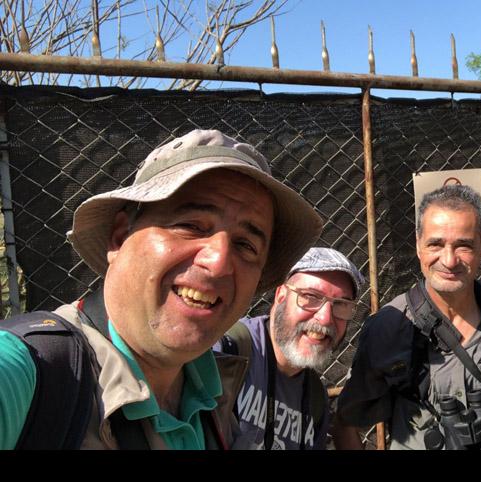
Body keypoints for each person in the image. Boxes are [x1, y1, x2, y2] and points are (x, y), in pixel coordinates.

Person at [0, 128, 322, 449]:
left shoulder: (214, 396)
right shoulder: (33, 370)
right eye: (191, 226)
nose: (219, 262)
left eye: (246, 245)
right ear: (120, 237)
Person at [334, 184, 481, 450]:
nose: (449, 260)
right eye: (435, 244)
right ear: (418, 246)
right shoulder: (388, 327)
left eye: (463, 246)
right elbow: (346, 423)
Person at [218, 247, 364, 450]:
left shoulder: (315, 399)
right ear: (280, 295)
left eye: (340, 304)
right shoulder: (226, 351)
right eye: (310, 296)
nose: (325, 318)